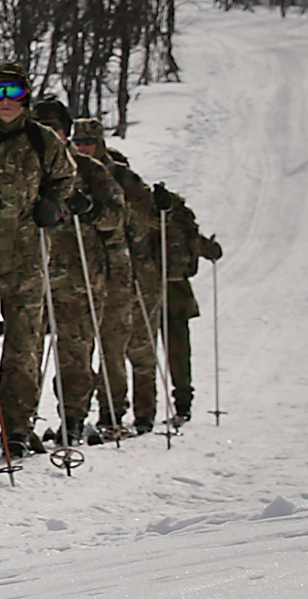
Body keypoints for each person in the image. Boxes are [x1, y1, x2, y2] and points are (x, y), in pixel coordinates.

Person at [0, 62, 78, 459]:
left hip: (26, 259)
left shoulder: (42, 141)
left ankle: (17, 428)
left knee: (24, 349)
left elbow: (65, 177)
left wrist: (53, 204)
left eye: (15, 93)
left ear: (26, 96)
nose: (7, 102)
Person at [30, 96, 123, 446]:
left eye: (56, 129)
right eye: (43, 128)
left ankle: (73, 418)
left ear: (66, 133)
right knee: (25, 357)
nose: (50, 135)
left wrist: (88, 207)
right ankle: (20, 424)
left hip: (78, 279)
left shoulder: (88, 170)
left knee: (75, 354)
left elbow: (116, 216)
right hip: (29, 274)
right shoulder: (25, 167)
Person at [70, 117, 165, 435]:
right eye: (78, 142)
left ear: (101, 143)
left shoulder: (121, 176)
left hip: (121, 271)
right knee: (82, 345)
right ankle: (89, 411)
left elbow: (147, 214)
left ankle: (128, 410)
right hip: (84, 269)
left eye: (89, 142)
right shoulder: (71, 172)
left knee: (122, 343)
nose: (84, 147)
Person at [151, 183, 221, 423]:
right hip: (173, 291)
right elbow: (199, 244)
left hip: (157, 290)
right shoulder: (180, 215)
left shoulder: (155, 211)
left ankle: (166, 406)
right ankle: (181, 403)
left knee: (155, 352)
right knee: (176, 352)